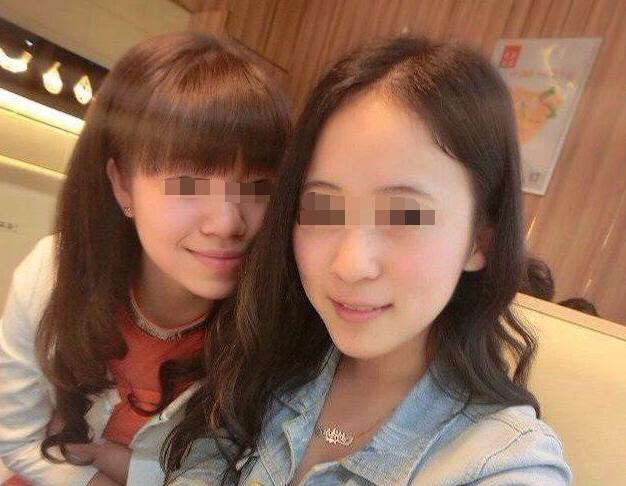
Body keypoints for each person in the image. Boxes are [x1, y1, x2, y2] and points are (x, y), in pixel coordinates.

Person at [165, 36, 572, 485]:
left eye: (404, 215)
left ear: (480, 242)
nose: (350, 264)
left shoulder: (504, 463)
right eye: (321, 208)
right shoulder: (263, 367)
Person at [0, 32, 290, 486]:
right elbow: (15, 437)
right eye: (189, 184)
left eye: (258, 187)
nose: (228, 222)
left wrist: (111, 459)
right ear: (122, 184)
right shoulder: (51, 276)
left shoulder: (269, 331)